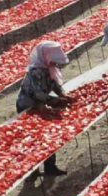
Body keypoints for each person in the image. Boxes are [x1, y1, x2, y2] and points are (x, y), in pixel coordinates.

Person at [16, 40, 73, 178]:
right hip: (27, 105)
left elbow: (55, 84)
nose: (55, 63)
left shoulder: (50, 67)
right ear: (45, 56)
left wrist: (62, 94)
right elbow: (38, 94)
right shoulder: (36, 71)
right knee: (33, 139)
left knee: (47, 135)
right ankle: (31, 172)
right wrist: (56, 101)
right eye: (53, 59)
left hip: (40, 105)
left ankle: (50, 167)